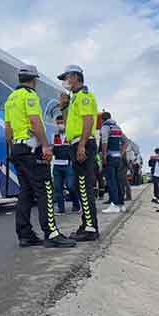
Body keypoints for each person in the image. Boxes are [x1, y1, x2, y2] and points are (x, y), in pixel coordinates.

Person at [4, 64, 76, 248]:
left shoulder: (10, 99)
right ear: (34, 80)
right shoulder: (30, 96)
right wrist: (45, 145)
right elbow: (35, 122)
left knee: (25, 193)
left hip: (18, 150)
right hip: (31, 149)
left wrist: (13, 148)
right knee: (45, 190)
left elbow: (8, 129)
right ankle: (51, 234)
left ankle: (25, 234)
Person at [58, 65, 100, 241]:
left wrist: (82, 145)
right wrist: (63, 107)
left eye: (66, 78)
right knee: (80, 187)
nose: (64, 82)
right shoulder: (74, 98)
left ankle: (90, 229)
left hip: (83, 144)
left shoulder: (84, 97)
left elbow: (88, 120)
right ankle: (86, 224)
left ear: (75, 77)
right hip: (76, 144)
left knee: (84, 187)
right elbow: (69, 125)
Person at [100, 112, 128, 213]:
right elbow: (126, 142)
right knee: (118, 181)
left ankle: (114, 205)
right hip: (117, 158)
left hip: (110, 157)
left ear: (102, 119)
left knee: (111, 181)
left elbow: (104, 141)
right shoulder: (117, 127)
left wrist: (103, 156)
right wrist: (121, 153)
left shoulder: (105, 127)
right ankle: (121, 205)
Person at [52, 115, 80, 213]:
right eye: (58, 123)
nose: (60, 125)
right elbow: (52, 149)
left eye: (61, 123)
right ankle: (61, 209)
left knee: (70, 186)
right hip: (57, 165)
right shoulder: (54, 136)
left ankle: (76, 205)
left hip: (68, 165)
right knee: (57, 188)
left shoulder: (70, 135)